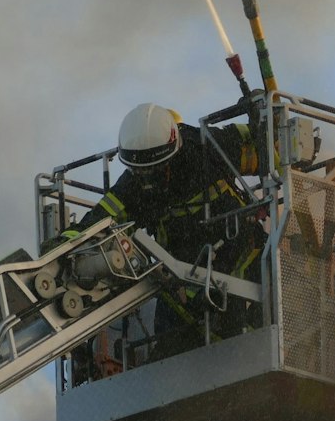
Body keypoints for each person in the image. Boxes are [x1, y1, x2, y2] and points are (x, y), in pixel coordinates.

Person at [66, 102, 267, 358]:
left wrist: (264, 117)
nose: (148, 178)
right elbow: (102, 218)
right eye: (140, 171)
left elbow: (266, 147)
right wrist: (69, 240)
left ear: (173, 152)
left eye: (155, 169)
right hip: (178, 277)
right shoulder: (134, 184)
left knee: (245, 324)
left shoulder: (207, 149)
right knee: (167, 351)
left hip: (238, 253)